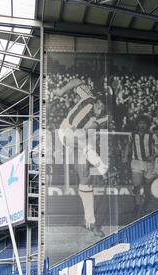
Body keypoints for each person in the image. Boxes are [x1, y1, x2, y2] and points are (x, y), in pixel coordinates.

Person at [54, 78, 108, 237]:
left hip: (82, 140)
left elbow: (90, 131)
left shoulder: (103, 118)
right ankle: (102, 166)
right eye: (99, 104)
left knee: (85, 178)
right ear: (96, 100)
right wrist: (61, 91)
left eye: (102, 107)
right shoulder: (89, 96)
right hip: (65, 132)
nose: (99, 108)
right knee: (78, 137)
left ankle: (90, 222)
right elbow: (77, 81)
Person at [129, 115, 158, 216]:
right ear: (137, 124)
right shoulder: (132, 135)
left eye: (144, 123)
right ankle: (137, 206)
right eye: (140, 123)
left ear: (147, 125)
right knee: (137, 185)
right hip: (136, 162)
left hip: (149, 164)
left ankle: (145, 207)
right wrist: (125, 156)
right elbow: (128, 145)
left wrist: (152, 157)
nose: (142, 125)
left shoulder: (152, 136)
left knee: (147, 188)